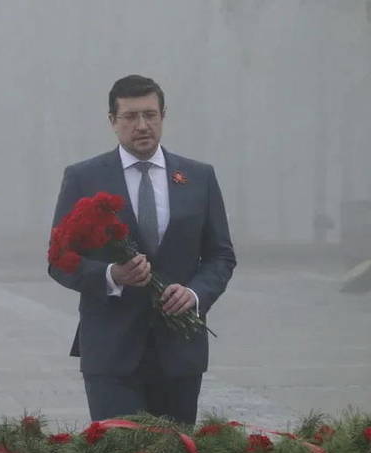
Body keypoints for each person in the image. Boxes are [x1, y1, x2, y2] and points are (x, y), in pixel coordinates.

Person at [48, 75, 236, 425]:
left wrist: (195, 293)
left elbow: (220, 255)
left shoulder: (199, 177)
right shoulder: (84, 178)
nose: (142, 125)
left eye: (150, 115)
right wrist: (110, 275)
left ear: (163, 115)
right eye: (130, 116)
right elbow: (59, 260)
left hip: (179, 351)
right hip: (111, 351)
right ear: (112, 121)